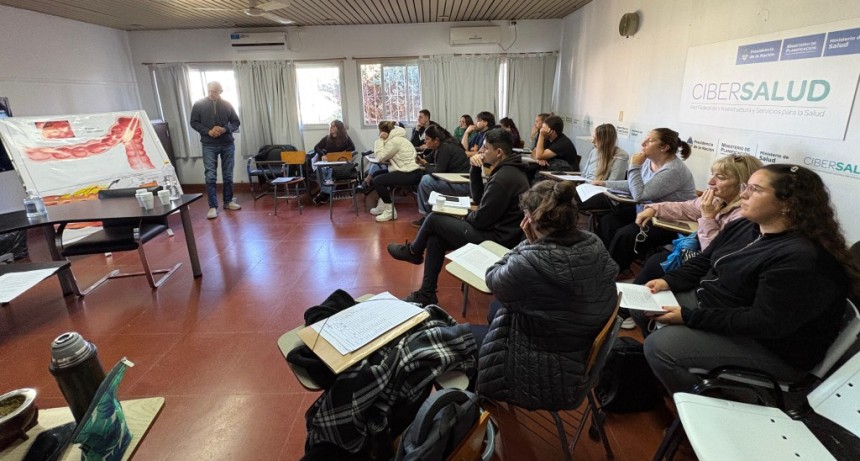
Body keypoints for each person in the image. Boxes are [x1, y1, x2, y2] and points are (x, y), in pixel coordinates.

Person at [641, 164, 859, 395]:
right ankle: (667, 376)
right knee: (644, 304)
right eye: (747, 187)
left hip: (768, 347)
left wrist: (688, 317)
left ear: (788, 204)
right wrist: (668, 282)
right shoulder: (746, 225)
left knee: (660, 347)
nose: (743, 194)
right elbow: (706, 260)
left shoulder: (801, 257)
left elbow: (763, 322)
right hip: (722, 309)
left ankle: (709, 406)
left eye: (755, 189)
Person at [473, 180, 619, 411]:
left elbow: (493, 278)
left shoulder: (528, 262)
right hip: (578, 347)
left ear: (529, 219)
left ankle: (477, 407)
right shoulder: (595, 243)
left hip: (546, 369)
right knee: (497, 310)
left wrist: (527, 244)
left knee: (464, 338)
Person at [387, 129, 529, 306]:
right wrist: (475, 170)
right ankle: (426, 294)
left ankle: (414, 252)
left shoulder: (504, 178)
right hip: (494, 232)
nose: (481, 152)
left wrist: (461, 215)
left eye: (485, 148)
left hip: (496, 240)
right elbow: (479, 199)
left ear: (498, 152)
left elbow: (480, 221)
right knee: (435, 238)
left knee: (434, 218)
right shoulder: (507, 170)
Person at [632, 154, 763, 283]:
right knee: (653, 258)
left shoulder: (744, 216)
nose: (710, 182)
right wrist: (653, 209)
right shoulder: (718, 199)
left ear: (743, 185)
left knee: (656, 263)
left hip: (713, 270)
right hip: (700, 256)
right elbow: (685, 208)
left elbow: (715, 255)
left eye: (720, 177)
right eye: (713, 175)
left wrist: (707, 218)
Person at [595, 127, 697, 276]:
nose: (643, 143)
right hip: (647, 212)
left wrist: (634, 166)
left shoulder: (673, 170)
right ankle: (601, 263)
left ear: (664, 147)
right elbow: (634, 184)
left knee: (626, 235)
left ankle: (614, 272)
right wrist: (605, 184)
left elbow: (640, 195)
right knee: (608, 221)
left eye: (649, 140)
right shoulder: (649, 163)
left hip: (669, 222)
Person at [189, 81, 241, 219]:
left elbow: (236, 122)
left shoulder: (227, 104)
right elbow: (193, 122)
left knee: (228, 175)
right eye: (210, 91)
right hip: (208, 144)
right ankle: (213, 207)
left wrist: (225, 129)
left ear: (220, 91)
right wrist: (208, 131)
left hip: (227, 143)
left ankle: (228, 201)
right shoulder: (199, 105)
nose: (212, 94)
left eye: (215, 91)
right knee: (210, 176)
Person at [413, 125, 471, 228]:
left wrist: (425, 165)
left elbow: (438, 172)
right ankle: (432, 214)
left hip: (462, 185)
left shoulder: (445, 148)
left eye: (427, 139)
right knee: (425, 177)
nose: (425, 142)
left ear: (436, 140)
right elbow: (428, 159)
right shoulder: (441, 145)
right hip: (455, 181)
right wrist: (423, 161)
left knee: (426, 180)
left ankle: (428, 216)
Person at [370, 121, 421, 222]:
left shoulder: (395, 141)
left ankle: (390, 212)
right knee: (376, 174)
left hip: (409, 174)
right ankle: (383, 206)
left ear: (383, 132)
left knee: (378, 181)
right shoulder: (398, 138)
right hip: (411, 171)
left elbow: (380, 157)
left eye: (379, 132)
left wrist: (380, 140)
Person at [578, 124, 629, 209]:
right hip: (587, 188)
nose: (592, 141)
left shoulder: (620, 157)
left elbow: (613, 184)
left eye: (596, 139)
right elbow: (584, 174)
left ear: (605, 141)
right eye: (593, 137)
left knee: (570, 200)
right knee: (562, 192)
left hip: (605, 195)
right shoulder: (594, 151)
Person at [312, 120, 356, 205]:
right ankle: (326, 193)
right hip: (328, 162)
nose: (331, 128)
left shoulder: (345, 138)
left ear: (338, 128)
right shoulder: (327, 138)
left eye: (333, 126)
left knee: (332, 172)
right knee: (319, 170)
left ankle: (324, 194)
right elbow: (316, 147)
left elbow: (352, 147)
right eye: (331, 126)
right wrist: (322, 154)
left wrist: (343, 152)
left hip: (339, 163)